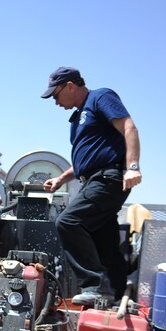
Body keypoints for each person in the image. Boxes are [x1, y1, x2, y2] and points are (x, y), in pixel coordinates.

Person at [41, 67, 142, 306]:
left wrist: (133, 166)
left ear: (70, 86)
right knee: (104, 241)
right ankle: (117, 294)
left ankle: (94, 286)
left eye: (55, 95)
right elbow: (86, 162)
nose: (55, 102)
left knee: (68, 222)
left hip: (109, 179)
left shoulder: (100, 97)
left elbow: (129, 127)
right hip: (94, 179)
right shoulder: (77, 119)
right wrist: (62, 178)